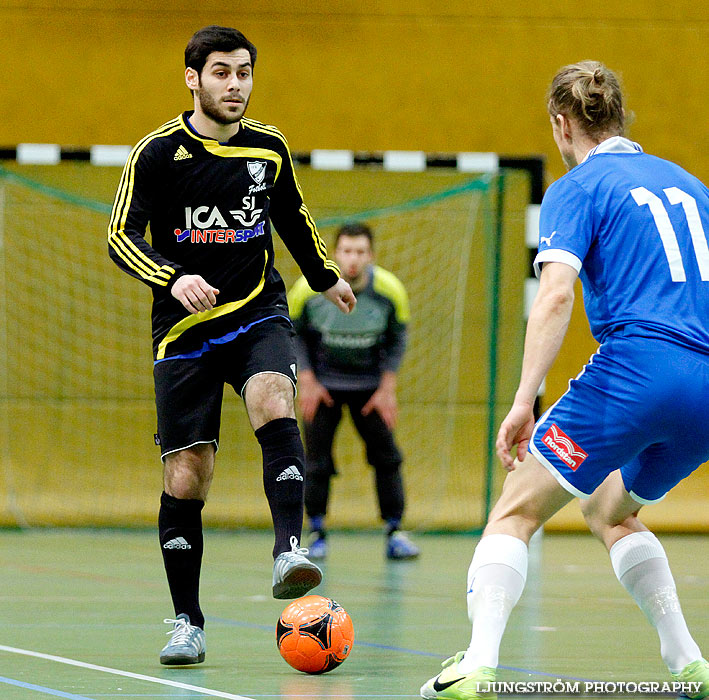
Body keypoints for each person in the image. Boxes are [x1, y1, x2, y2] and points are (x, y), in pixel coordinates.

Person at [421, 60, 709, 699]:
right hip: (706, 385)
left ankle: (477, 665)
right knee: (610, 510)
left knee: (515, 510)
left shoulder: (580, 185)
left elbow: (555, 296)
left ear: (561, 123)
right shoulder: (690, 185)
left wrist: (525, 402)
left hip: (638, 367)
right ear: (620, 116)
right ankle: (688, 661)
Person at [108, 25, 355, 666]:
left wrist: (325, 276)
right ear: (192, 78)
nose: (235, 85)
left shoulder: (269, 149)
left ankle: (288, 551)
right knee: (188, 475)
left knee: (275, 396)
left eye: (244, 73)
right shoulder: (157, 153)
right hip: (185, 328)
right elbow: (120, 237)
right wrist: (173, 275)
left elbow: (293, 218)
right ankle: (187, 621)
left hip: (256, 311)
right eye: (221, 73)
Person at [288, 222, 419, 560]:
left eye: (360, 252)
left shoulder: (390, 291)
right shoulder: (308, 289)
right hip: (323, 387)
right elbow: (293, 334)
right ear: (335, 253)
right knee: (315, 461)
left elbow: (397, 339)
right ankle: (316, 532)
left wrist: (387, 388)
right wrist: (308, 381)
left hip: (370, 389)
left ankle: (395, 531)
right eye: (347, 251)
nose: (353, 259)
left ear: (371, 256)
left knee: (388, 457)